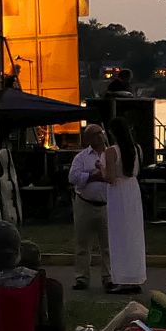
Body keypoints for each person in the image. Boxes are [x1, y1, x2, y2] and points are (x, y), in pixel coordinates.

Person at [103, 122, 148, 292]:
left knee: (118, 236)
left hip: (118, 192)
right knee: (133, 234)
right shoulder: (137, 149)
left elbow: (110, 178)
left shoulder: (111, 151)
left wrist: (101, 169)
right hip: (132, 190)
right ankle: (135, 276)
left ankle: (122, 278)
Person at [67, 124, 112, 291]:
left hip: (106, 205)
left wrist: (102, 176)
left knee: (107, 245)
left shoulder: (111, 155)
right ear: (87, 139)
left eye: (100, 133)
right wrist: (92, 176)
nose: (99, 136)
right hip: (85, 204)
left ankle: (109, 277)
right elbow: (73, 177)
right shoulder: (81, 157)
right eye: (94, 134)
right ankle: (81, 277)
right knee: (82, 243)